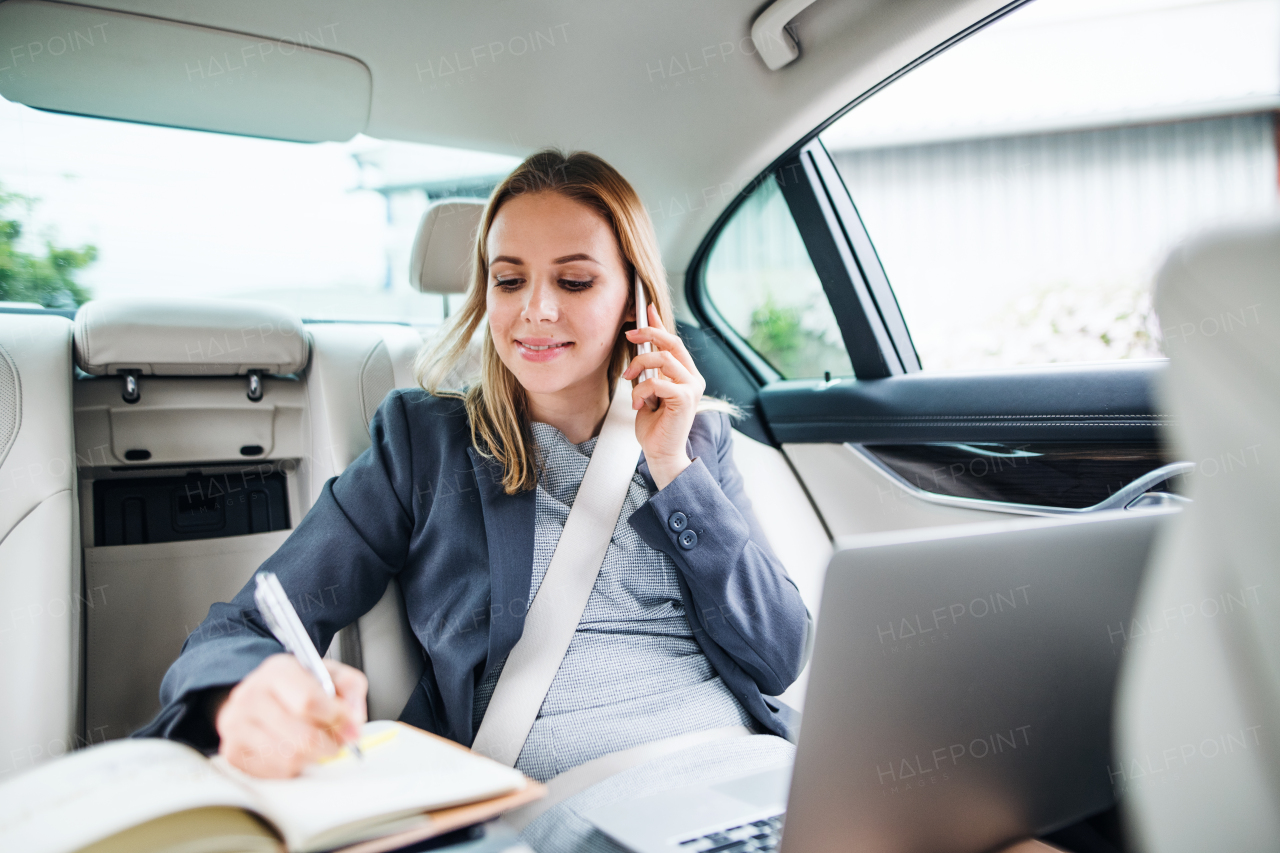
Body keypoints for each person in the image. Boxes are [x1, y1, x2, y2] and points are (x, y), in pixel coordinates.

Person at [135, 149, 812, 851]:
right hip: (579, 805)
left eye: (575, 280)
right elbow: (241, 625)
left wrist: (673, 466)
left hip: (755, 778)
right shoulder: (425, 443)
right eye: (509, 279)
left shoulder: (695, 438)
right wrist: (245, 692)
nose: (536, 310)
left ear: (637, 299)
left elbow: (779, 656)